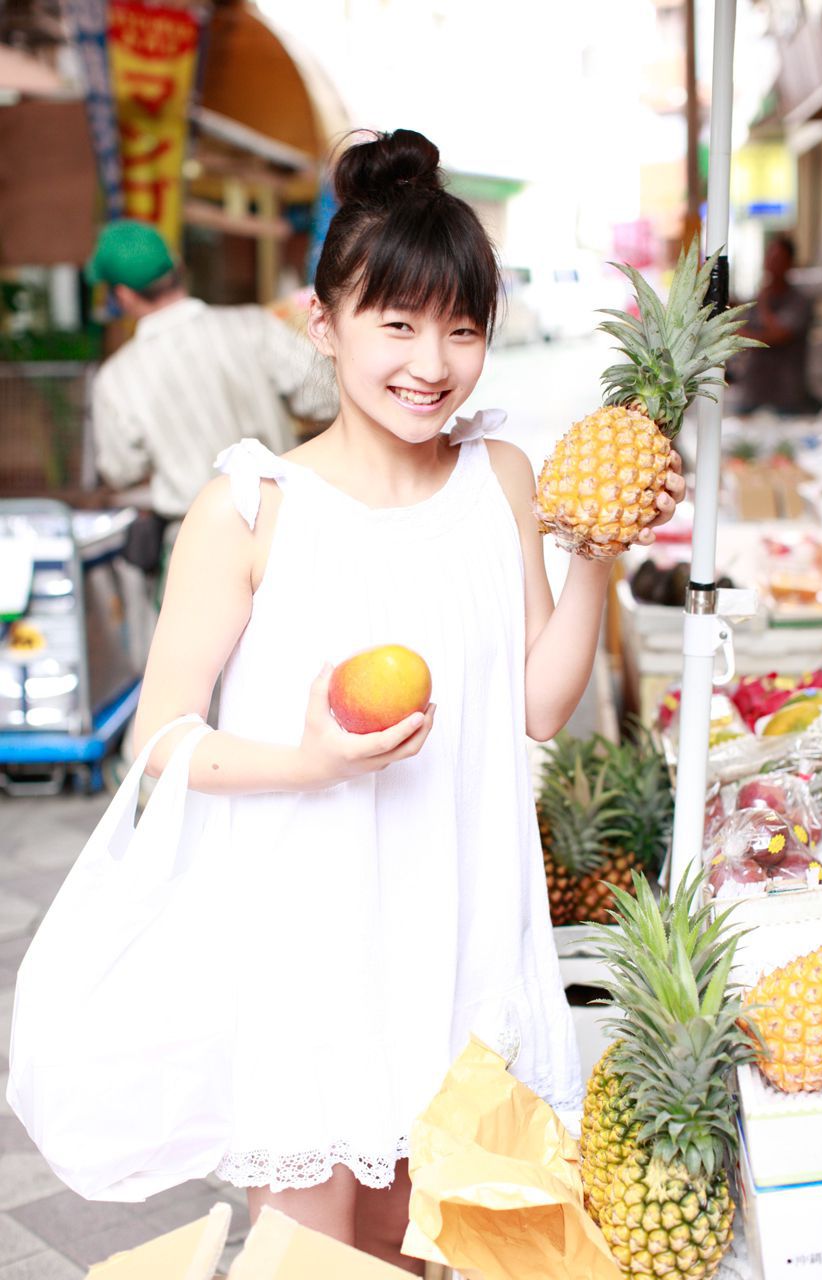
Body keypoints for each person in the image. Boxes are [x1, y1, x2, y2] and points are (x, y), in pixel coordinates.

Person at [131, 130, 685, 1271]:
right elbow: (161, 742)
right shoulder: (250, 506)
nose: (433, 361)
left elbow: (538, 704)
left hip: (462, 933)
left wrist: (597, 552)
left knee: (445, 1239)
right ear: (321, 324)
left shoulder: (499, 480)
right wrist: (317, 762)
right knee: (316, 1248)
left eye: (463, 327)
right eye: (397, 322)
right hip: (306, 946)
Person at [86, 219, 338, 527]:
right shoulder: (253, 326)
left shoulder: (116, 379)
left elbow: (121, 470)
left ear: (123, 295)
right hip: (286, 522)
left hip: (192, 535)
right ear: (178, 267)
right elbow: (327, 396)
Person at [732, 234, 819, 416]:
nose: (772, 263)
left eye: (778, 259)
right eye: (770, 257)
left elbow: (778, 335)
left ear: (790, 263)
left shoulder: (799, 302)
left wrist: (763, 307)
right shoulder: (756, 298)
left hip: (786, 397)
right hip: (753, 393)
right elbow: (739, 331)